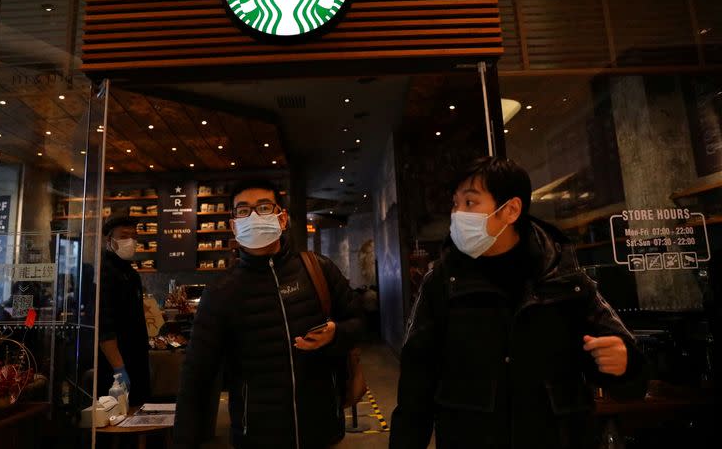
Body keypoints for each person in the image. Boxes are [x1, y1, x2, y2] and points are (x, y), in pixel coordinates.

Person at [390, 157, 648, 449]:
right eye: (455, 204)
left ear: (511, 210)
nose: (457, 214)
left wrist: (625, 364)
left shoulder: (565, 279)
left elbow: (630, 376)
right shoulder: (442, 282)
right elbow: (415, 386)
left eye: (470, 203)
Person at [174, 180, 364, 449]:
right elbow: (197, 374)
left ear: (282, 218)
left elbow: (358, 323)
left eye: (263, 207)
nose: (253, 216)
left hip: (323, 430)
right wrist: (184, 440)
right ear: (233, 225)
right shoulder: (221, 291)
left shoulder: (318, 269)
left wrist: (336, 335)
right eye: (243, 211)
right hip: (258, 436)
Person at [98, 216, 151, 406]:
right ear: (109, 240)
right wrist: (118, 368)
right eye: (124, 236)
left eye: (134, 236)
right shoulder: (104, 272)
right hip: (114, 366)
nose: (131, 241)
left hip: (135, 358)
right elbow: (105, 326)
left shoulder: (130, 273)